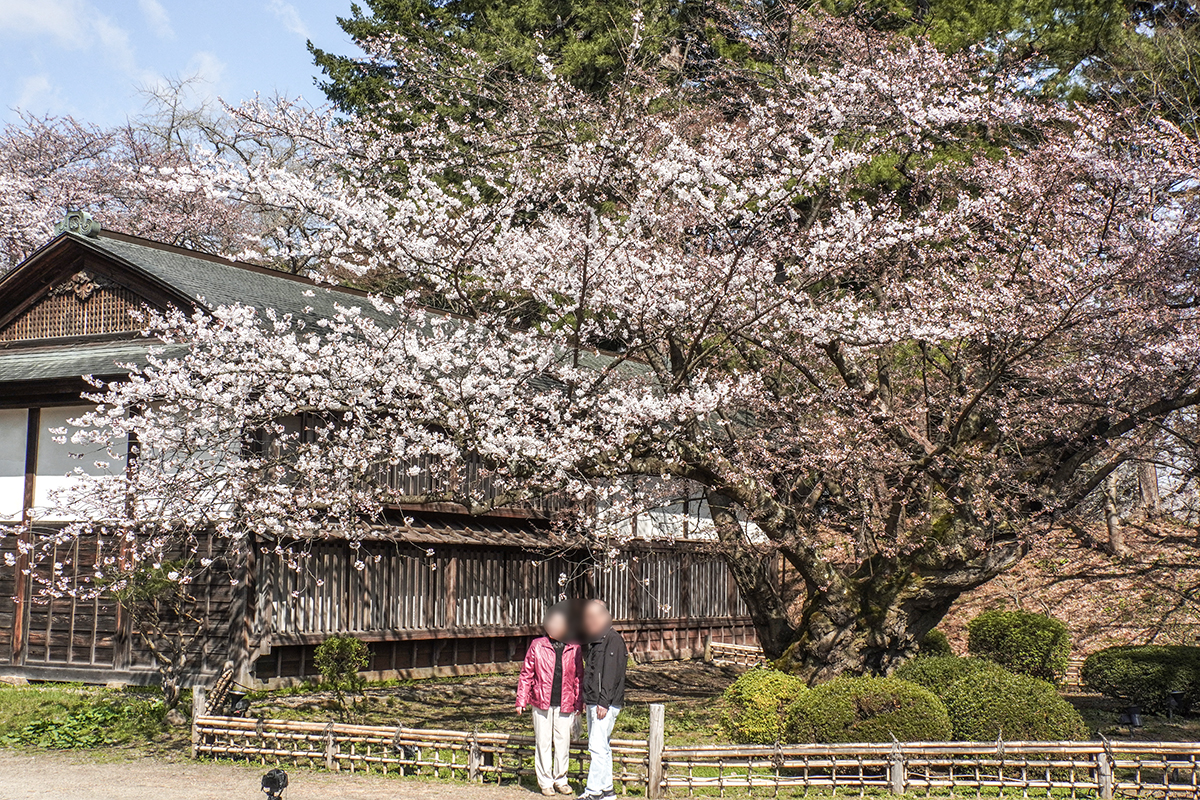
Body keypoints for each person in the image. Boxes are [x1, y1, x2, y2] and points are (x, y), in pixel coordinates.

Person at [517, 605, 584, 796]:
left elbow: (579, 677)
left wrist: (579, 703)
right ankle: (545, 781)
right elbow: (526, 674)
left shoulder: (574, 647)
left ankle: (561, 779)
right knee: (543, 742)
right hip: (541, 701)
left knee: (563, 743)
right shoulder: (537, 645)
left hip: (565, 702)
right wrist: (521, 699)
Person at [578, 599, 627, 800]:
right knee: (602, 747)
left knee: (596, 748)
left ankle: (593, 791)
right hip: (594, 700)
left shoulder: (613, 640)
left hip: (603, 702)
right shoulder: (597, 641)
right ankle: (607, 789)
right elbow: (591, 672)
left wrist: (603, 701)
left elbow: (611, 674)